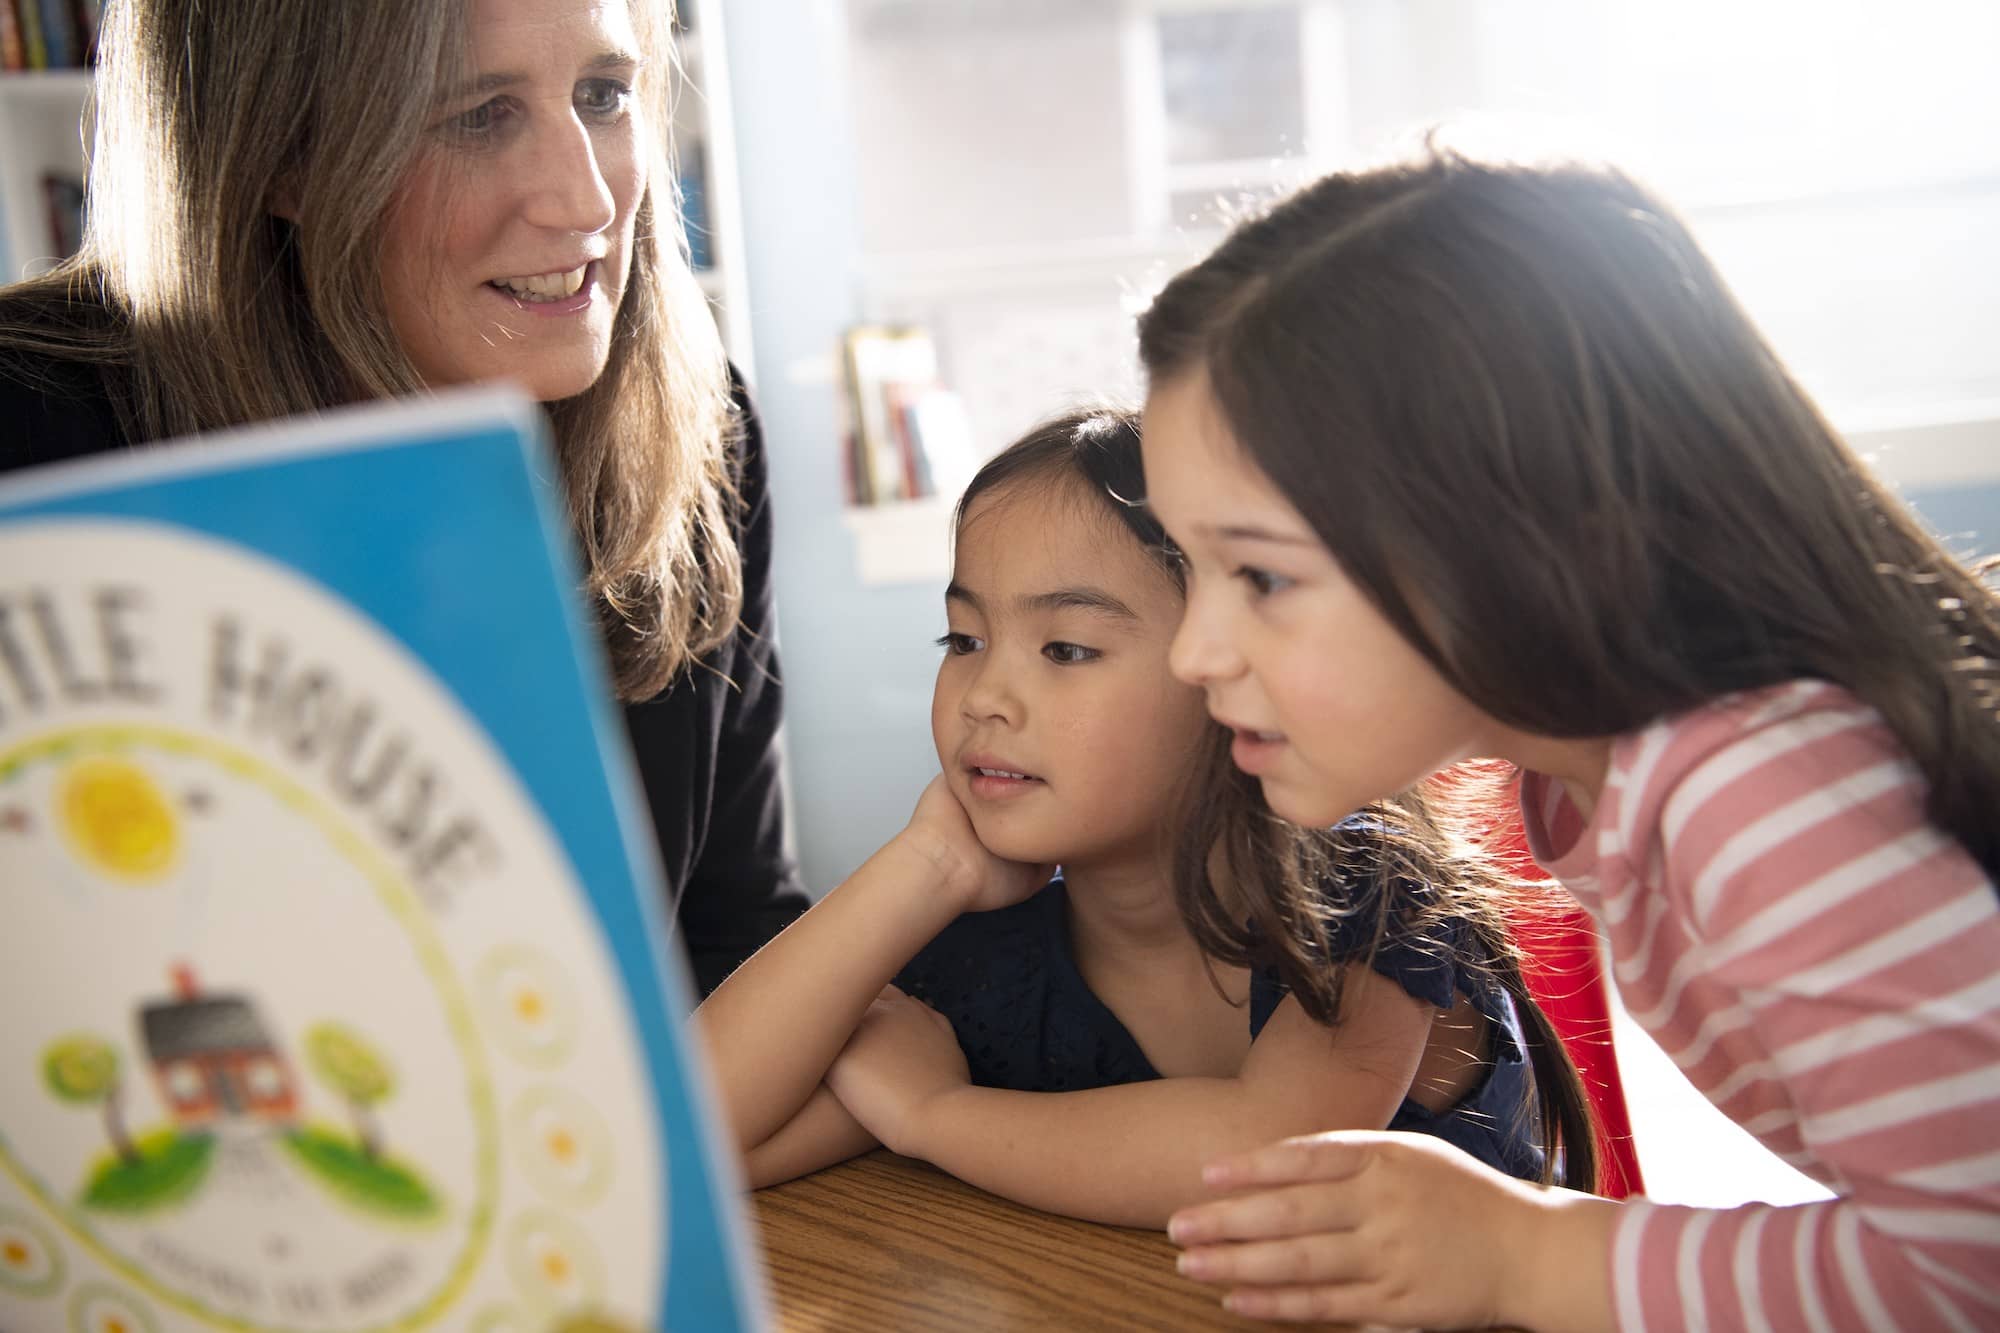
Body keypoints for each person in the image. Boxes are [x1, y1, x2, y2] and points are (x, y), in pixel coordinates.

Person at [1135, 145, 2000, 1328]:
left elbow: (1965, 1273)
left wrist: (1522, 1254)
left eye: (1262, 576)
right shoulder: (1607, 779)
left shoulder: (1763, 793)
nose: (1195, 651)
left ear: (1545, 542)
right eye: (1191, 566)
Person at [0, 0, 807, 993]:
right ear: (280, 153)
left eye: (602, 95)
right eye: (479, 116)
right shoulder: (31, 429)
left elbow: (734, 941)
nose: (585, 200)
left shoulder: (694, 423)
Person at [696, 408, 1595, 1228]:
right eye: (963, 640)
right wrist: (923, 864)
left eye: (1067, 648)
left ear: (1229, 672)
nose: (987, 696)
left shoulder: (1363, 894)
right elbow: (691, 1137)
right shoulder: (991, 964)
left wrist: (937, 1116)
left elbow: (1269, 1151)